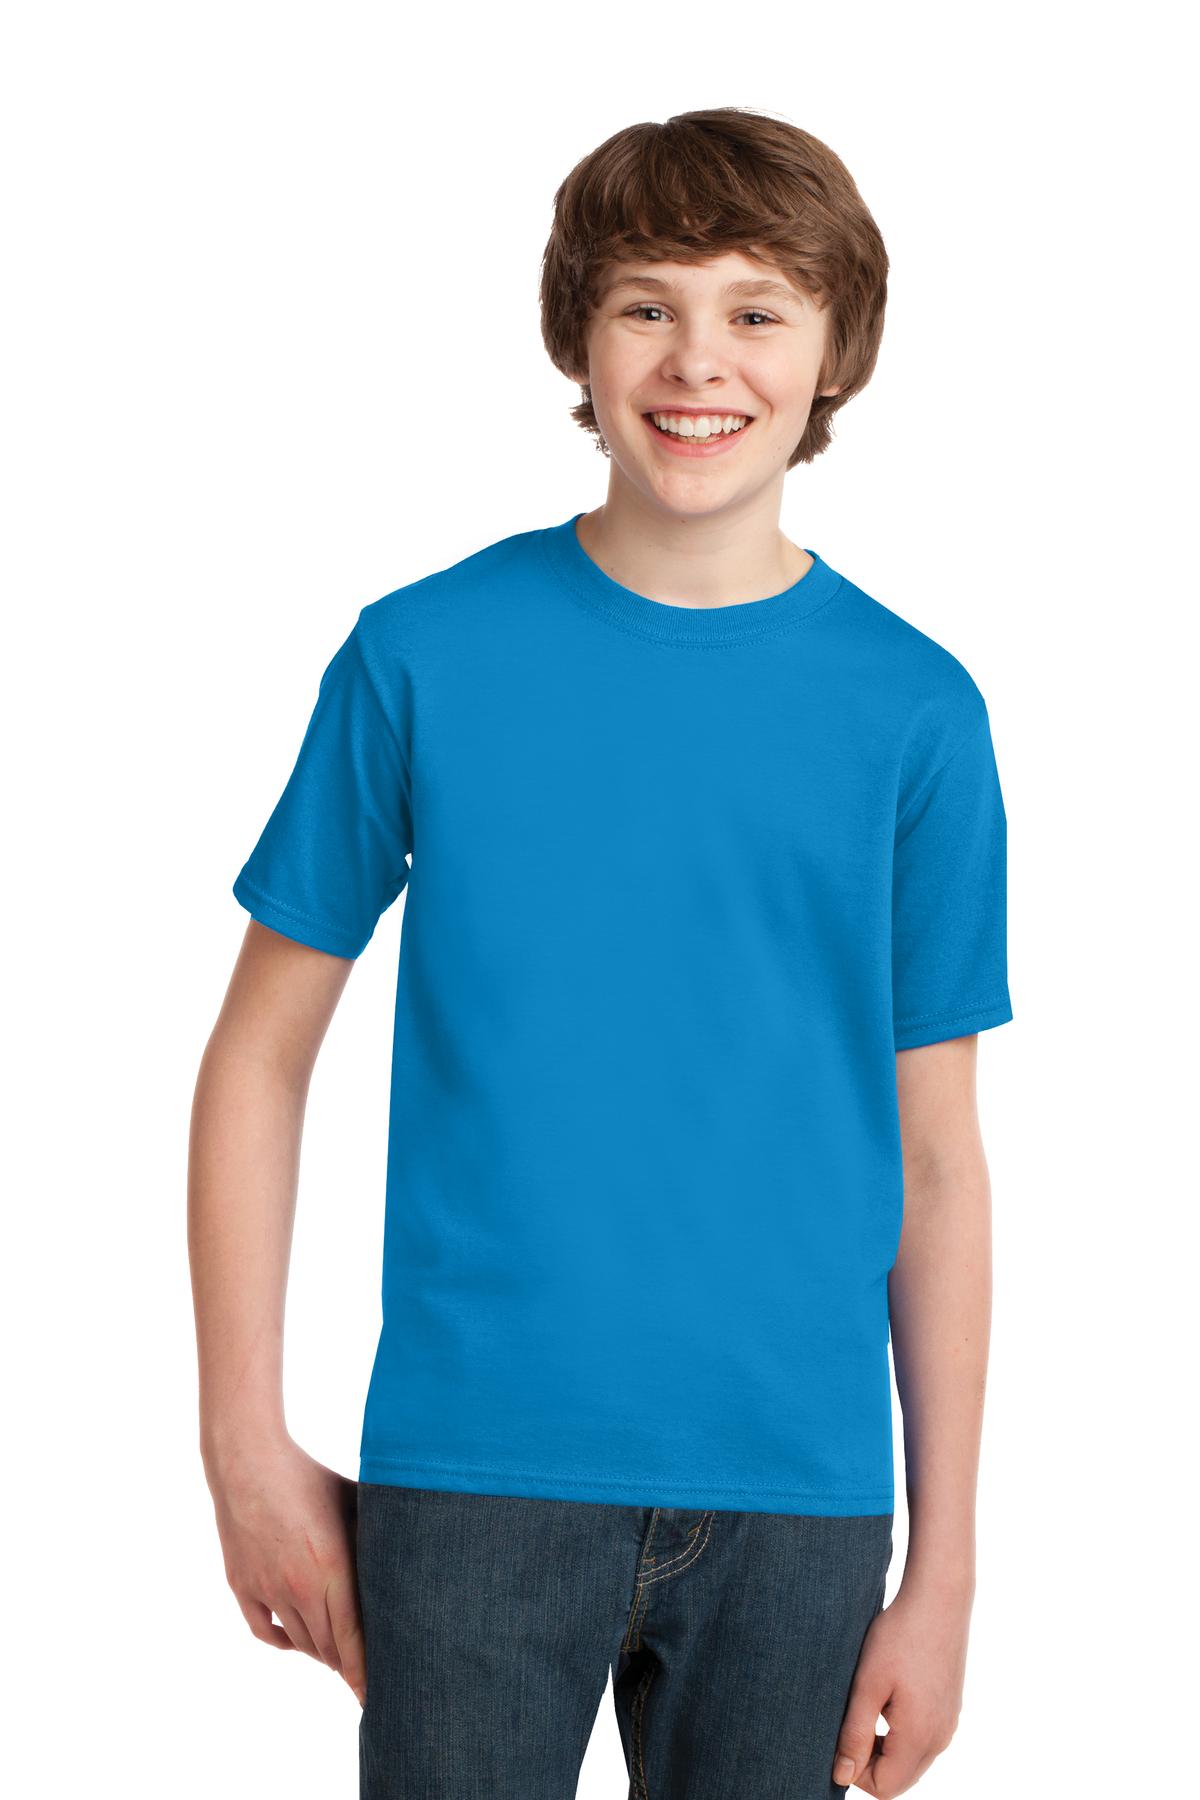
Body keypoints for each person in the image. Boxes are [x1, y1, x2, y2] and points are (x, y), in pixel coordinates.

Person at [190, 107, 1013, 1799]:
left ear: (837, 349)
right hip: (473, 1474)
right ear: (578, 333)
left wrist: (943, 1575)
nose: (698, 359)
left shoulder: (917, 713)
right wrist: (241, 1444)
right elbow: (258, 1056)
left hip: (797, 1498)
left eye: (755, 310)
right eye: (648, 305)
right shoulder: (422, 655)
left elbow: (938, 1161)